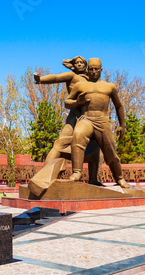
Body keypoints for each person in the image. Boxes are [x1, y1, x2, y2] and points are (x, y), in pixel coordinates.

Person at [34, 56, 102, 186]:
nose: (80, 64)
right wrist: (40, 80)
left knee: (95, 147)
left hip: (90, 117)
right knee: (60, 144)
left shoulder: (91, 78)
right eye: (77, 63)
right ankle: (44, 175)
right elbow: (56, 77)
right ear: (73, 65)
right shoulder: (72, 76)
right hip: (75, 116)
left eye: (82, 62)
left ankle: (93, 179)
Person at [65, 58, 129, 188]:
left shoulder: (110, 86)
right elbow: (67, 102)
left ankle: (119, 178)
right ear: (88, 70)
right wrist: (77, 102)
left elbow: (119, 106)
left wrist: (122, 125)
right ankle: (77, 172)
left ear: (101, 70)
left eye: (96, 69)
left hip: (102, 120)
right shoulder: (80, 85)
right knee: (77, 136)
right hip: (86, 119)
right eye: (91, 69)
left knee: (110, 151)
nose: (93, 72)